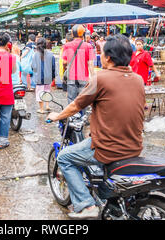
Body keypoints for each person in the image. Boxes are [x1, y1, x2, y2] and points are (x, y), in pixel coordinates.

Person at [47, 34, 145, 219]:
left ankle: (86, 205)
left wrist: (57, 116)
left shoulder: (101, 79)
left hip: (107, 148)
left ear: (107, 57)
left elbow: (76, 105)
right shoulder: (138, 80)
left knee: (64, 158)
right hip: (134, 147)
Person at [61, 25, 95, 105]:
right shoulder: (88, 46)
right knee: (83, 98)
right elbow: (90, 63)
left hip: (71, 76)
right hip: (83, 76)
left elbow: (64, 62)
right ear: (83, 34)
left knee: (71, 98)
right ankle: (82, 116)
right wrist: (93, 77)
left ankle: (73, 116)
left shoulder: (67, 45)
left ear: (72, 34)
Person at [32, 37, 56, 113]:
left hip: (39, 77)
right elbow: (53, 66)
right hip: (48, 77)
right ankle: (47, 105)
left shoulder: (35, 54)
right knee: (47, 90)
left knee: (40, 92)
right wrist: (53, 76)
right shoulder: (50, 54)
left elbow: (33, 67)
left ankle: (41, 109)